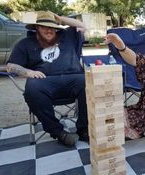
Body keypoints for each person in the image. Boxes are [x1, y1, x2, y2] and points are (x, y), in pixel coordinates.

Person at [6, 11, 88, 147]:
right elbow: (10, 66)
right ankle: (59, 133)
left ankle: (83, 129)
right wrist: (28, 72)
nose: (49, 30)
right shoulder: (25, 43)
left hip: (73, 79)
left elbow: (82, 25)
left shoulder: (66, 36)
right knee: (32, 87)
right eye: (44, 26)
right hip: (45, 82)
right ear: (36, 27)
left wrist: (59, 18)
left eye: (52, 27)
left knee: (89, 81)